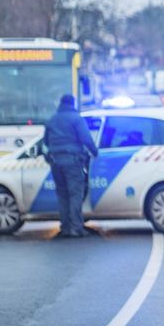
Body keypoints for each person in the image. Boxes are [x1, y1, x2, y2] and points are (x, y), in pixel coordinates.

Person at [43, 94, 98, 238]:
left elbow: (46, 143)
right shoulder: (76, 119)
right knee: (75, 194)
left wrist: (51, 156)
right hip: (72, 161)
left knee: (62, 195)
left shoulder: (52, 120)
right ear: (73, 103)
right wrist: (95, 152)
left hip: (55, 162)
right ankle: (76, 228)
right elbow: (86, 138)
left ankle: (65, 227)